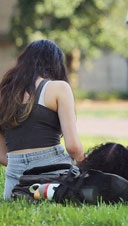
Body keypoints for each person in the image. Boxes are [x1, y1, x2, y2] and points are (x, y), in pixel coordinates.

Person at [0, 40, 85, 200]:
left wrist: (22, 164)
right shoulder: (58, 88)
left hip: (14, 188)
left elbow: (3, 156)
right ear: (56, 64)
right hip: (53, 182)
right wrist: (88, 165)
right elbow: (73, 147)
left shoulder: (3, 92)